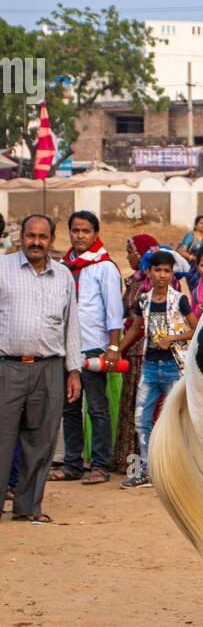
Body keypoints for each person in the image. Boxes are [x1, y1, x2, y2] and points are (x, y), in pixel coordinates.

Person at [0, 214, 81, 524]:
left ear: (51, 240)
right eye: (30, 235)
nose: (36, 242)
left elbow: (71, 325)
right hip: (7, 367)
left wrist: (73, 370)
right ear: (21, 237)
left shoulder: (63, 276)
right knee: (2, 441)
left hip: (49, 370)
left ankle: (28, 507)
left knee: (41, 442)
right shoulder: (3, 268)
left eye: (42, 237)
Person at [49, 211, 124, 486]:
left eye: (85, 231)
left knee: (97, 408)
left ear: (95, 233)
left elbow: (114, 311)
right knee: (69, 408)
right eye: (75, 230)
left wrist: (113, 347)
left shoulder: (105, 267)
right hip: (66, 347)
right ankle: (72, 464)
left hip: (94, 347)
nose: (80, 236)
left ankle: (100, 465)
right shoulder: (62, 266)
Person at [119, 249, 197, 486]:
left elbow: (195, 328)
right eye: (158, 270)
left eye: (166, 270)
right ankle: (147, 469)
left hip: (174, 367)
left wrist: (171, 339)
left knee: (178, 420)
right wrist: (116, 350)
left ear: (172, 274)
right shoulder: (145, 300)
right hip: (150, 367)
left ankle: (180, 470)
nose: (162, 275)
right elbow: (136, 327)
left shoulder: (179, 300)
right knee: (142, 419)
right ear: (149, 273)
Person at [112, 234, 159, 477]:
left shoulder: (153, 285)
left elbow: (141, 324)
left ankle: (144, 463)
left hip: (142, 350)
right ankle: (126, 461)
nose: (128, 255)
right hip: (130, 350)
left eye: (131, 251)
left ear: (141, 254)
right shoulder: (133, 281)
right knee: (128, 405)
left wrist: (117, 348)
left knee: (141, 406)